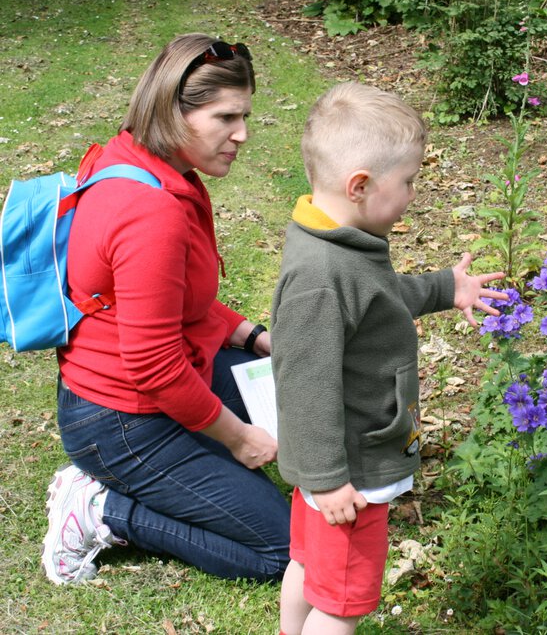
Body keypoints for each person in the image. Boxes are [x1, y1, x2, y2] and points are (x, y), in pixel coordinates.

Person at [41, 33, 290, 585]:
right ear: (174, 112)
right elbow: (154, 364)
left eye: (245, 116)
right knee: (288, 551)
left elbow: (176, 302)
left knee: (295, 396)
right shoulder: (150, 209)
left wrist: (254, 338)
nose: (242, 135)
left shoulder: (141, 161)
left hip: (159, 386)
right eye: (226, 117)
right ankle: (102, 511)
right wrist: (239, 439)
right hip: (124, 422)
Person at [271, 82, 508, 635]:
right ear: (361, 185)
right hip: (352, 471)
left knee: (309, 568)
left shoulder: (336, 242)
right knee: (342, 602)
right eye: (408, 182)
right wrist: (329, 480)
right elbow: (304, 382)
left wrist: (446, 288)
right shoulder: (321, 277)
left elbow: (379, 301)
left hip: (335, 468)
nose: (412, 195)